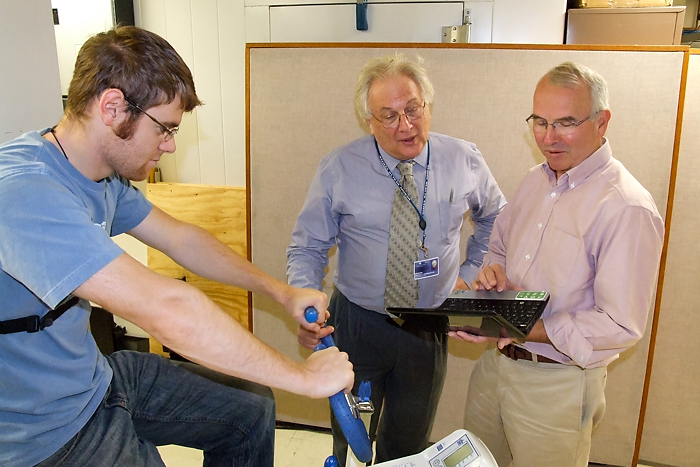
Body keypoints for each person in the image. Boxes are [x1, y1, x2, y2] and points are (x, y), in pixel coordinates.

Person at [0, 26, 354, 467]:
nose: (169, 145)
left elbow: (183, 239)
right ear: (112, 107)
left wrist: (279, 292)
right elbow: (170, 312)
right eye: (164, 129)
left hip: (93, 378)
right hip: (44, 432)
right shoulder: (24, 192)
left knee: (250, 409)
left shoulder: (98, 173)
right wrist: (303, 378)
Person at [288, 53, 506, 465]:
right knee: (351, 436)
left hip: (427, 327)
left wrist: (470, 272)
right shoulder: (339, 168)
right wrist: (306, 298)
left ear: (428, 105)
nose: (405, 125)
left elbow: (496, 218)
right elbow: (307, 246)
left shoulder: (464, 159)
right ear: (368, 121)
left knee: (409, 442)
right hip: (357, 321)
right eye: (388, 116)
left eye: (412, 109)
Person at [451, 61, 665, 467]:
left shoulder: (626, 207)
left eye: (566, 122)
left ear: (602, 122)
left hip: (558, 385)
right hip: (496, 366)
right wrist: (494, 274)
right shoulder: (536, 180)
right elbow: (499, 249)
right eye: (540, 121)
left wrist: (519, 326)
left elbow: (620, 325)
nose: (549, 138)